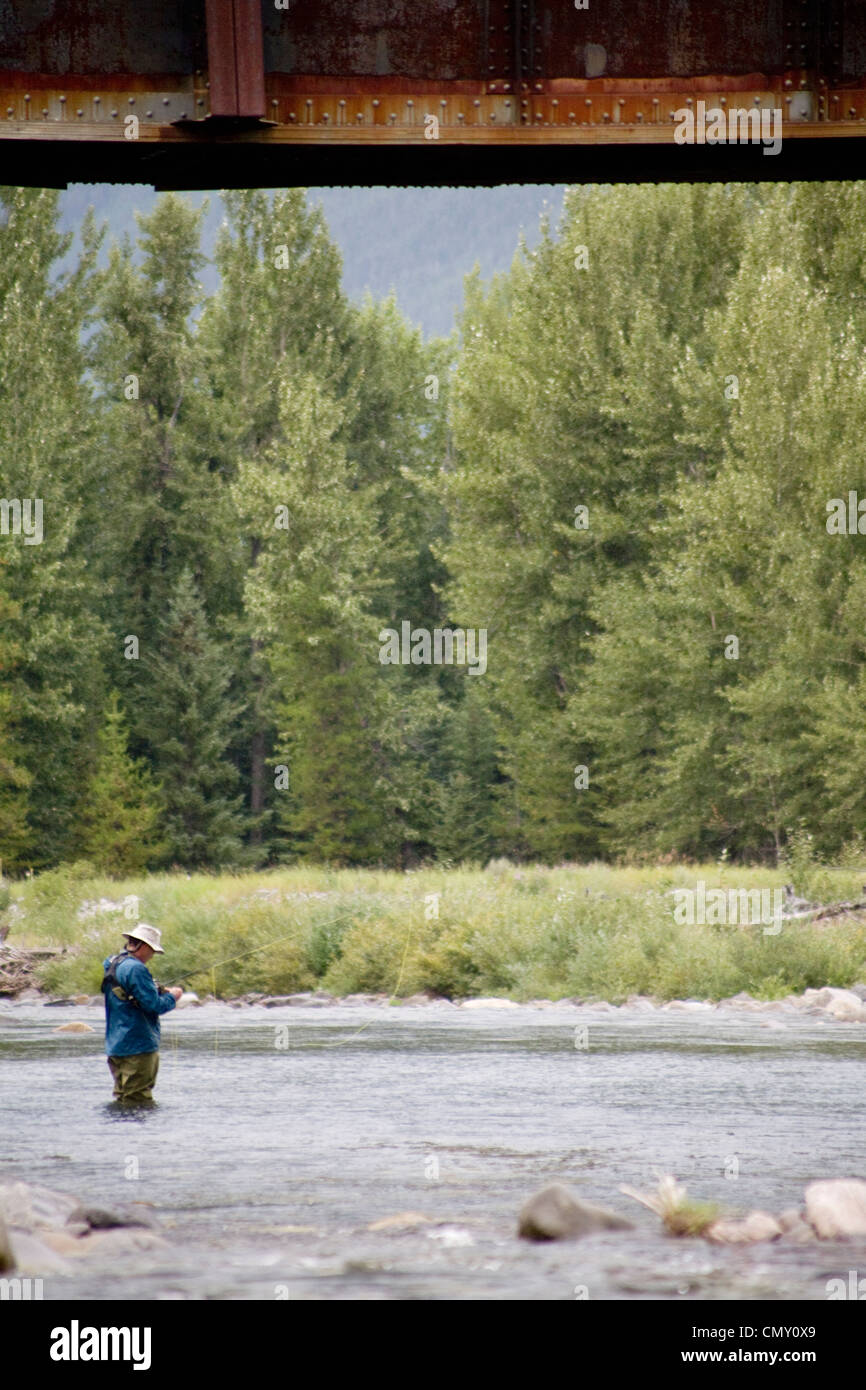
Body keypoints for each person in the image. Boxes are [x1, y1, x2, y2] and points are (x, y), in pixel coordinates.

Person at [102, 924, 182, 1103]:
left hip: (116, 1046)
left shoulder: (113, 963)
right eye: (152, 950)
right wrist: (173, 997)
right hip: (138, 1046)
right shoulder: (136, 969)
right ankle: (143, 1132)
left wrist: (158, 989)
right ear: (144, 946)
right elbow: (154, 1006)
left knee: (123, 1098)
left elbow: (130, 992)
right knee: (138, 1101)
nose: (152, 956)